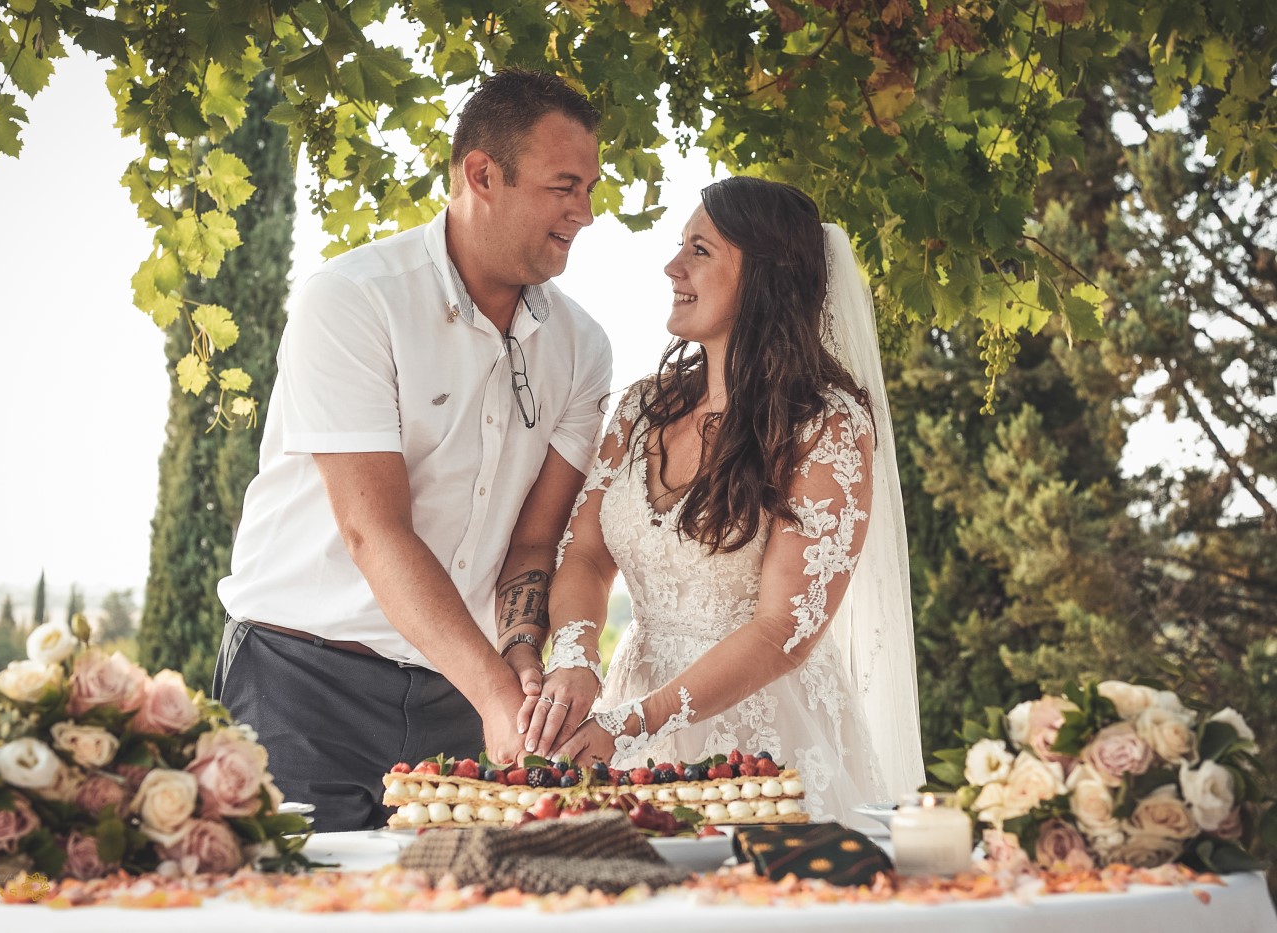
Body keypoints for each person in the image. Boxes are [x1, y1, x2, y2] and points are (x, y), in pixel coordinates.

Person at [212, 70, 613, 832]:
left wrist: (522, 653)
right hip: (299, 684)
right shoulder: (353, 300)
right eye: (565, 186)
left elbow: (534, 540)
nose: (584, 213)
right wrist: (497, 690)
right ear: (482, 174)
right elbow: (376, 530)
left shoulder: (583, 348)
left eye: (590, 188)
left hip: (456, 693)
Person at [519, 176, 925, 822]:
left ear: (764, 277)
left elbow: (781, 631)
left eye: (700, 251)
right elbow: (590, 553)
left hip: (763, 738)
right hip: (628, 708)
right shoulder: (640, 408)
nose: (671, 266)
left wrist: (636, 721)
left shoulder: (826, 426)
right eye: (681, 246)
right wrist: (573, 657)